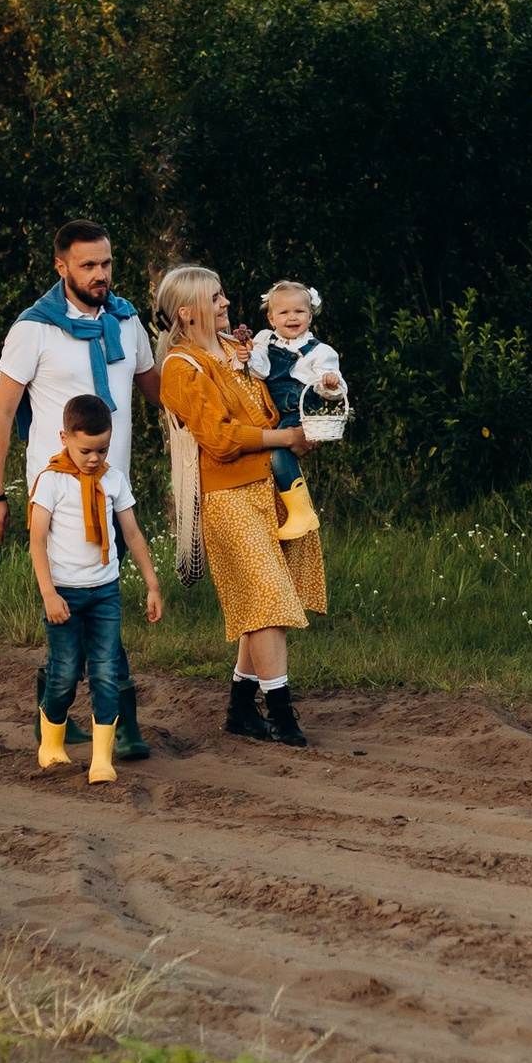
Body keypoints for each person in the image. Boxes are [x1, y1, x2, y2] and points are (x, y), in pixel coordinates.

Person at [0, 219, 158, 762]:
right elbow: (3, 413)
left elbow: (157, 391)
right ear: (61, 267)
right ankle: (92, 719)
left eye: (106, 263)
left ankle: (102, 721)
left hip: (112, 490)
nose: (100, 274)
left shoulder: (126, 321)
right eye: (88, 265)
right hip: (56, 499)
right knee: (70, 606)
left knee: (103, 602)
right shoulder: (33, 329)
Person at [153, 261, 325, 747]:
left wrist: (303, 429)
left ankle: (240, 709)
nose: (226, 302)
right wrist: (282, 438)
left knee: (259, 601)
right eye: (215, 297)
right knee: (267, 600)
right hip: (227, 497)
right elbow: (221, 438)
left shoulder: (237, 349)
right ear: (187, 312)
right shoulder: (180, 369)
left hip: (271, 486)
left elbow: (271, 406)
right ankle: (282, 714)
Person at [28, 394, 163, 787]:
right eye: (85, 450)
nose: (93, 458)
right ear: (64, 438)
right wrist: (49, 595)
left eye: (102, 450)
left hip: (105, 593)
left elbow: (132, 534)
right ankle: (51, 743)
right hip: (64, 595)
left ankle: (101, 758)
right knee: (64, 673)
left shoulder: (113, 479)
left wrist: (152, 584)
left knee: (105, 672)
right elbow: (37, 542)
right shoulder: (51, 481)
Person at [246, 278, 347, 546]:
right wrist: (248, 356)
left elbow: (337, 388)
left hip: (298, 411)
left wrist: (329, 383)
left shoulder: (319, 351)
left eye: (299, 311)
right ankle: (286, 508)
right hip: (272, 410)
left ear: (310, 316)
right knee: (267, 455)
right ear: (271, 318)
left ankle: (301, 511)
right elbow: (260, 371)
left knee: (279, 453)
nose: (292, 317)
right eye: (284, 312)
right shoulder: (265, 339)